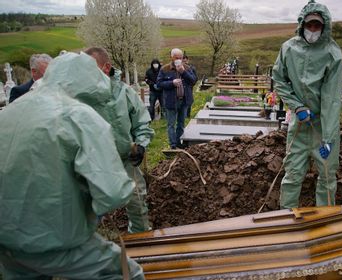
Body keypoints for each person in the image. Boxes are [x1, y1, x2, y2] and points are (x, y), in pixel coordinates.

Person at [0, 52, 144, 279]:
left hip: (7, 240)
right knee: (126, 273)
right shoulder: (79, 117)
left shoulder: (10, 112)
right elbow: (113, 194)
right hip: (55, 239)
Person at [272, 0, 342, 208]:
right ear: (302, 24)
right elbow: (279, 80)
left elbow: (331, 99)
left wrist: (328, 138)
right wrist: (297, 106)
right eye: (309, 25)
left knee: (328, 176)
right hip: (300, 124)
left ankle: (326, 219)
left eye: (317, 26)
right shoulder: (289, 49)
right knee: (293, 173)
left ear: (324, 26)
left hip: (323, 125)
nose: (312, 30)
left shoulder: (332, 53)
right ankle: (286, 217)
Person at [85, 47, 154, 233]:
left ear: (106, 67)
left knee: (137, 202)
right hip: (93, 163)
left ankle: (141, 240)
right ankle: (93, 246)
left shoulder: (125, 93)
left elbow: (142, 123)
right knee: (87, 208)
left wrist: (140, 145)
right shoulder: (82, 97)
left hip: (125, 159)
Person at [157, 48, 197, 149]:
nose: (179, 59)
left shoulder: (187, 68)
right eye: (176, 58)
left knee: (181, 123)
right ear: (172, 57)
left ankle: (179, 142)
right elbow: (159, 83)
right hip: (171, 101)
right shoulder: (165, 69)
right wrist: (172, 83)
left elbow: (193, 81)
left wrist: (183, 72)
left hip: (184, 100)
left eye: (180, 57)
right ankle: (173, 144)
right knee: (171, 124)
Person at [182, 53, 198, 118]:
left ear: (188, 60)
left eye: (185, 61)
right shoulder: (180, 68)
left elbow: (195, 78)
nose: (185, 62)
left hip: (189, 87)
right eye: (183, 61)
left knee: (189, 100)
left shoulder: (192, 68)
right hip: (182, 88)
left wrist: (192, 85)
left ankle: (188, 115)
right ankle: (183, 115)